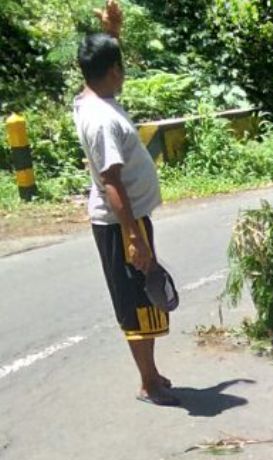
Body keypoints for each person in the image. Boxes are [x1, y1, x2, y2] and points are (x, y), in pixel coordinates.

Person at [74, 0, 178, 406]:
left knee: (143, 300)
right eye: (120, 65)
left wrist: (110, 33)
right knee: (137, 303)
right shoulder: (101, 119)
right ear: (114, 71)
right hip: (121, 222)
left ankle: (151, 374)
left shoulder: (91, 96)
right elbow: (111, 182)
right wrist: (133, 237)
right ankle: (148, 383)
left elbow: (102, 67)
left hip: (130, 220)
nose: (123, 74)